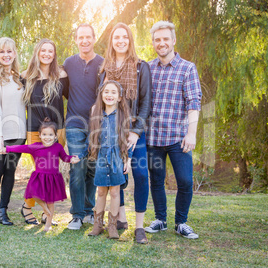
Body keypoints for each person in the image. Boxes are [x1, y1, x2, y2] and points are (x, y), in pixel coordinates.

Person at [145, 21, 202, 239]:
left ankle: (181, 222)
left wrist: (191, 133)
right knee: (156, 181)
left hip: (179, 138)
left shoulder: (187, 68)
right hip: (153, 138)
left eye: (165, 39)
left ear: (173, 41)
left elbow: (194, 103)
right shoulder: (147, 68)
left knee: (185, 181)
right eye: (157, 40)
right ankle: (160, 219)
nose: (162, 43)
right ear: (153, 43)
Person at [98, 23, 152, 244]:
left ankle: (139, 227)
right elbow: (100, 101)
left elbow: (146, 102)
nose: (121, 41)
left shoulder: (141, 67)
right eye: (116, 37)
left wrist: (136, 132)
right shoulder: (104, 68)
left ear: (130, 40)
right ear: (111, 41)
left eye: (125, 37)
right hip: (111, 131)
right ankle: (119, 218)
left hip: (134, 131)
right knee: (117, 175)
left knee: (140, 174)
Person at [19, 38, 69, 226]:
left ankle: (44, 213)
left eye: (51, 51)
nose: (47, 54)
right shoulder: (25, 76)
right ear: (37, 52)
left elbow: (74, 96)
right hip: (34, 132)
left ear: (54, 54)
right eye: (43, 50)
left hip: (57, 131)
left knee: (51, 172)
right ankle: (27, 206)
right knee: (41, 172)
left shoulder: (61, 75)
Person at [3, 119, 80, 232]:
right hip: (39, 177)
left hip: (53, 178)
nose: (47, 137)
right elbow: (21, 148)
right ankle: (45, 209)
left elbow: (65, 157)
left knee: (50, 201)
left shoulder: (58, 147)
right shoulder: (35, 147)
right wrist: (7, 149)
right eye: (44, 134)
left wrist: (72, 159)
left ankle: (48, 223)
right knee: (34, 194)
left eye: (50, 134)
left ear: (55, 136)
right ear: (39, 135)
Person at [63, 24, 104, 230]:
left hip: (97, 125)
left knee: (91, 169)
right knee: (77, 167)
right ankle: (77, 215)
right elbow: (63, 89)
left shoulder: (103, 63)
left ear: (94, 38)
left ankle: (89, 210)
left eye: (88, 37)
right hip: (74, 124)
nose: (84, 41)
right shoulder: (68, 63)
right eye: (81, 37)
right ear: (76, 39)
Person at [0, 37, 26, 225]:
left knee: (10, 172)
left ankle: (3, 211)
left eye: (10, 51)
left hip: (18, 133)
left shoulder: (19, 77)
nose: (6, 55)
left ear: (15, 54)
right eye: (2, 51)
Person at [85, 81, 132, 239]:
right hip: (101, 157)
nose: (109, 95)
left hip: (117, 157)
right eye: (106, 92)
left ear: (119, 97)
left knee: (115, 191)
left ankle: (112, 225)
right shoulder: (96, 114)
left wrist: (128, 160)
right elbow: (91, 136)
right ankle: (98, 224)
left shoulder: (123, 115)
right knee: (101, 191)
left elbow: (128, 140)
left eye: (113, 92)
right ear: (101, 94)